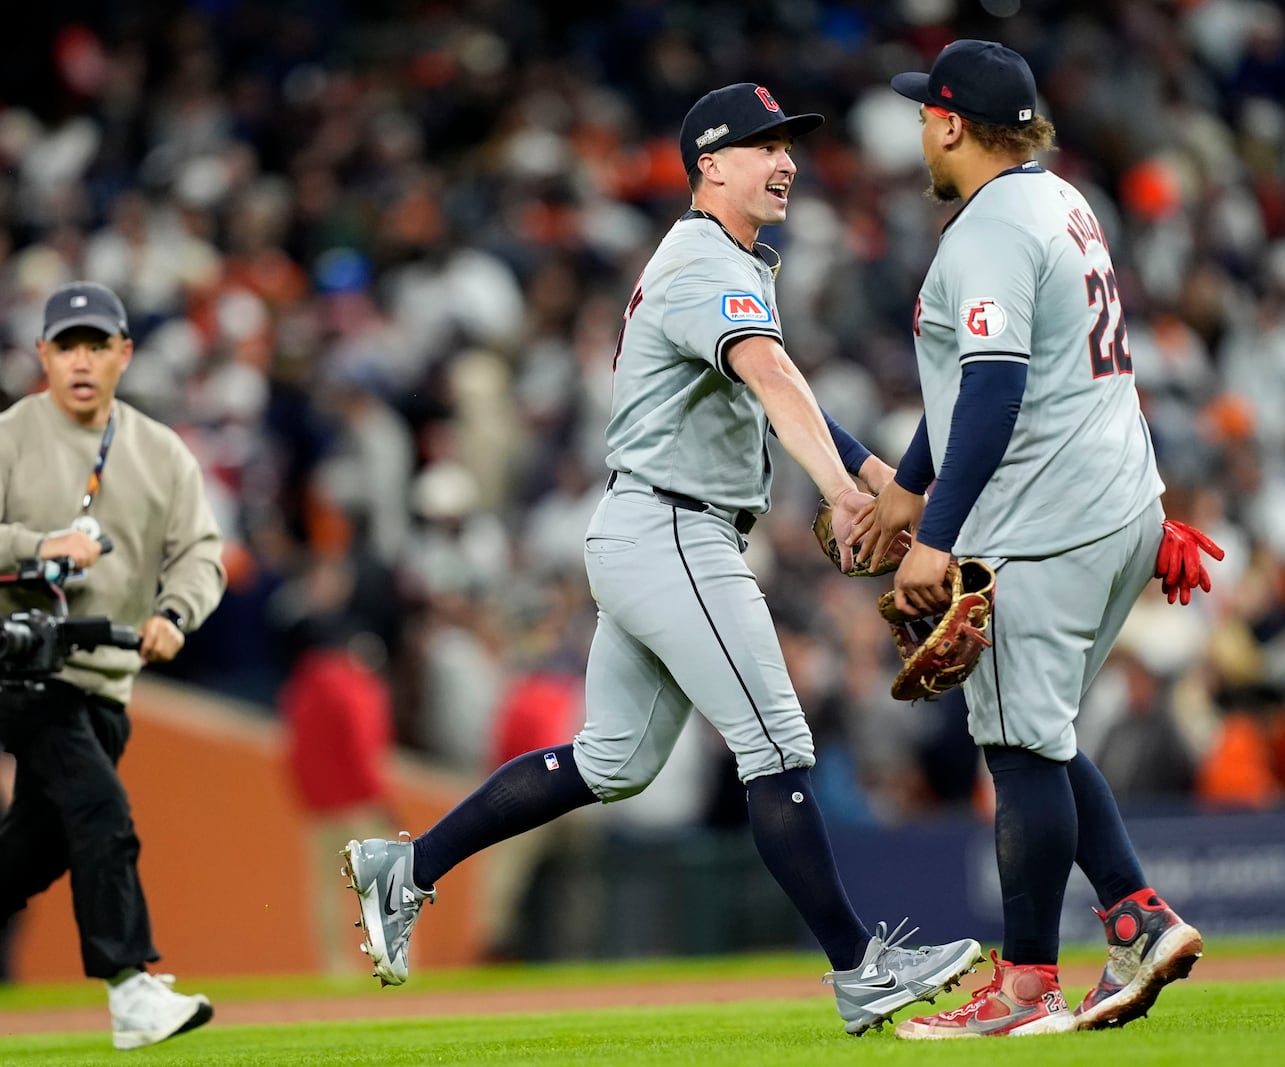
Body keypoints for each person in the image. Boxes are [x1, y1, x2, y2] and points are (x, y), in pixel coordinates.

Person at [341, 83, 982, 1036]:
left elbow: (785, 387)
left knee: (613, 759)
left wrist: (878, 473)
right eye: (764, 143)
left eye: (791, 144)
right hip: (676, 530)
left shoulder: (730, 262)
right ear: (709, 163)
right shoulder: (699, 261)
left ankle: (409, 867)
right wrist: (848, 496)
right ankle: (859, 969)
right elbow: (771, 376)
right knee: (778, 746)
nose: (788, 159)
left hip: (654, 528)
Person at [854, 41, 1215, 1038]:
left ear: (952, 123)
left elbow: (997, 385)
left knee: (1015, 745)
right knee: (1043, 735)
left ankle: (1024, 986)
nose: (919, 127)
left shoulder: (989, 228)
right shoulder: (1057, 200)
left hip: (1049, 520)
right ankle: (1139, 916)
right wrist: (913, 483)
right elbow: (990, 372)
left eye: (926, 113)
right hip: (1117, 504)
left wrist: (935, 529)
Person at [0, 281, 225, 1049]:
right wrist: (37, 545)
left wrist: (173, 614)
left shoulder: (160, 452)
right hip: (19, 671)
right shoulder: (11, 435)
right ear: (44, 355)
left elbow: (202, 553)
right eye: (67, 346)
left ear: (125, 354)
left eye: (97, 345)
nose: (82, 360)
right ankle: (130, 989)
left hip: (104, 680)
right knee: (102, 812)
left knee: (30, 853)